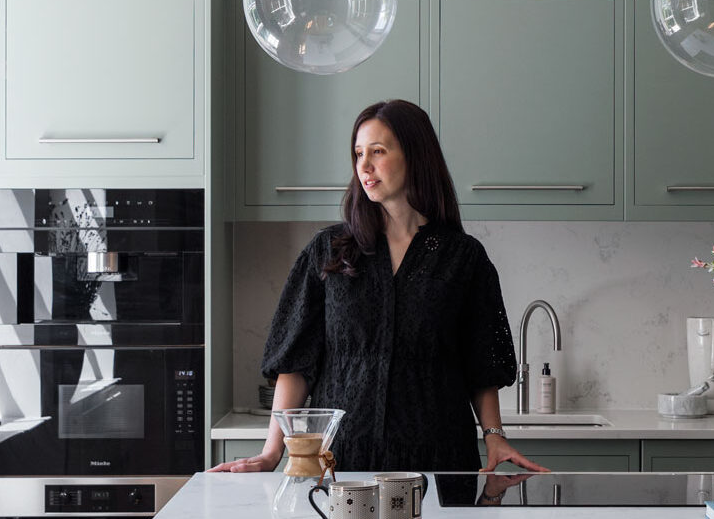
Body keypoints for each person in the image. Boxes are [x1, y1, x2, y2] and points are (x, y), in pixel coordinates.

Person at [208, 99, 546, 475]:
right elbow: (296, 363)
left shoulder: (462, 258)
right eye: (358, 154)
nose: (363, 166)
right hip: (342, 460)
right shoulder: (329, 251)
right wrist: (272, 452)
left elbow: (480, 365)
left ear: (415, 156)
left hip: (438, 458)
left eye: (378, 152)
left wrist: (494, 437)